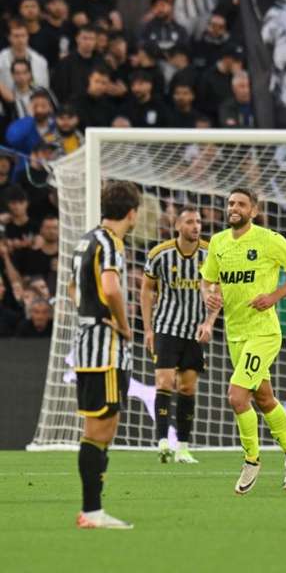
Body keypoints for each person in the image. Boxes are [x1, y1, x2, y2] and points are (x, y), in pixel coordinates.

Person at [199, 188, 286, 494]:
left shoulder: (269, 239)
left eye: (241, 204)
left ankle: (251, 459)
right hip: (235, 334)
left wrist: (274, 296)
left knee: (237, 398)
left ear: (254, 211)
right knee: (263, 398)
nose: (234, 208)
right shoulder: (219, 243)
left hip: (263, 333)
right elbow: (208, 281)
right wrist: (208, 297)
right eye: (231, 203)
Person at [70, 180, 141, 529]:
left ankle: (92, 509)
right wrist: (124, 325)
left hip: (86, 345)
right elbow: (111, 287)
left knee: (98, 428)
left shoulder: (85, 240)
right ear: (132, 212)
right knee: (102, 429)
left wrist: (88, 314)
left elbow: (73, 288)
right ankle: (92, 511)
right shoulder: (110, 243)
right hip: (105, 350)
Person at [140, 207, 209, 465]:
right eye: (190, 222)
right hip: (166, 328)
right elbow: (146, 291)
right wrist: (148, 329)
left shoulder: (210, 254)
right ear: (178, 226)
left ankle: (183, 447)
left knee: (188, 387)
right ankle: (162, 442)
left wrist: (210, 322)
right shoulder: (160, 254)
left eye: (199, 221)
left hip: (194, 331)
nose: (196, 226)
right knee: (164, 382)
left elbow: (219, 290)